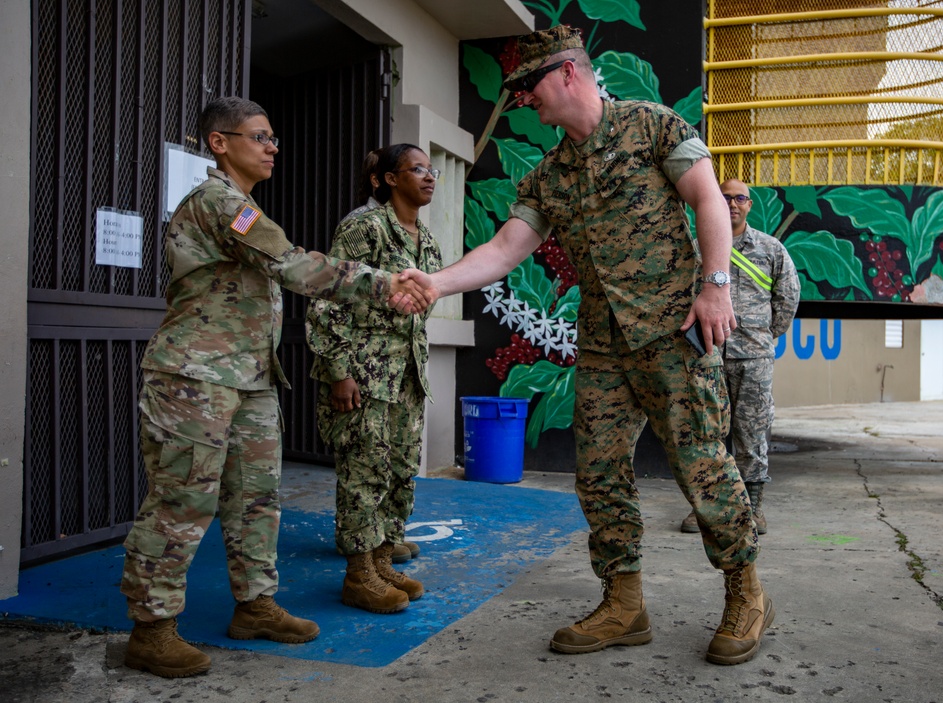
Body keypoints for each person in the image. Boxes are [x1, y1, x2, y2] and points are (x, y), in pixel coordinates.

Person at [411, 25, 772, 665]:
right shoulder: (550, 174)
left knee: (702, 466)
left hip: (673, 334)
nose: (525, 98)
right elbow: (502, 251)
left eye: (531, 85)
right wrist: (434, 283)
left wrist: (716, 286)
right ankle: (624, 603)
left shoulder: (652, 125)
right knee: (599, 472)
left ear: (569, 74)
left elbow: (708, 200)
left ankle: (746, 591)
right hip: (604, 344)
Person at [119, 96, 433, 679]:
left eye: (273, 138)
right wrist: (387, 282)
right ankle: (152, 628)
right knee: (182, 501)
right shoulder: (219, 203)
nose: (272, 146)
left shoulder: (240, 205)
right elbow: (291, 265)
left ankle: (255, 606)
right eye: (259, 137)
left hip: (251, 377)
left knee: (257, 499)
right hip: (197, 377)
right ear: (220, 142)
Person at [306, 144, 442, 613]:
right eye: (417, 169)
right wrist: (338, 372)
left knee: (400, 469)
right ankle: (359, 574)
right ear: (387, 179)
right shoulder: (364, 227)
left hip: (406, 374)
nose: (429, 177)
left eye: (432, 170)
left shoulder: (426, 239)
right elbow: (328, 299)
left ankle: (383, 560)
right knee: (364, 471)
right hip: (365, 372)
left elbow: (426, 303)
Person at [681, 179, 800, 535]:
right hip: (707, 356)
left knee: (751, 433)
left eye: (739, 198)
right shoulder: (696, 247)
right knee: (705, 434)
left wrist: (763, 336)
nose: (732, 204)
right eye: (724, 197)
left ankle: (753, 508)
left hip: (753, 359)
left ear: (749, 205)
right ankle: (706, 509)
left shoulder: (770, 249)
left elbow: (788, 297)